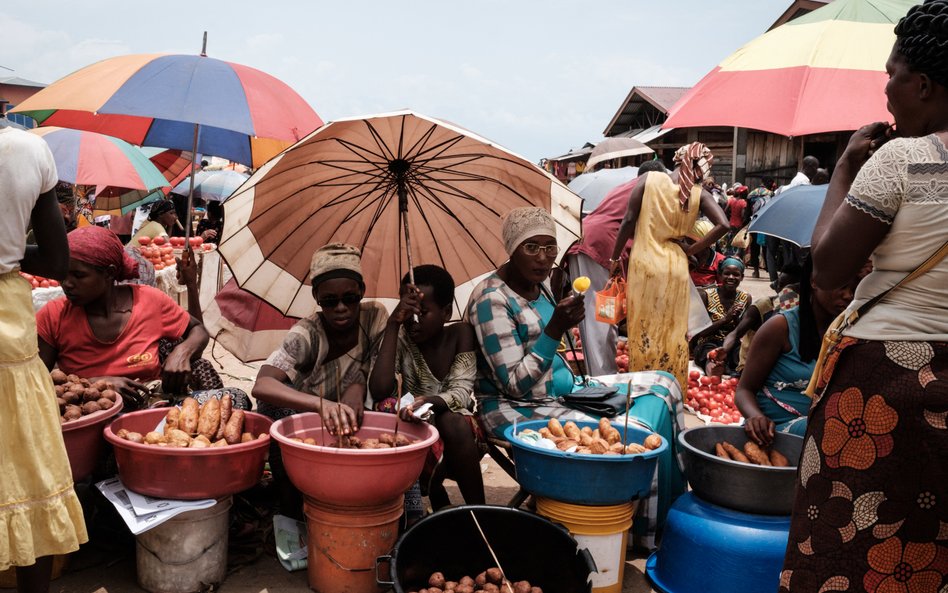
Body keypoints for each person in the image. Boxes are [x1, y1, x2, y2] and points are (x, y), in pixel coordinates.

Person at [780, 3, 948, 590]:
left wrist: (849, 166)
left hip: (884, 389)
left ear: (922, 84)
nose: (886, 90)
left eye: (891, 74)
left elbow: (826, 269)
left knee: (846, 548)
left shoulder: (906, 160)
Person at [468, 207, 688, 546]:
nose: (543, 258)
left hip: (562, 390)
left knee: (665, 384)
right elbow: (515, 383)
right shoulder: (491, 299)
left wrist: (565, 321)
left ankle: (666, 513)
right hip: (515, 407)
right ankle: (637, 535)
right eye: (531, 248)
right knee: (637, 432)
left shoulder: (539, 286)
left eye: (550, 247)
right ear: (511, 249)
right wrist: (556, 327)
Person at [0, 127, 87, 593]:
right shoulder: (27, 149)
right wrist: (9, 254)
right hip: (7, 327)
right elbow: (58, 260)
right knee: (25, 465)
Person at [252, 243, 387, 518]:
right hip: (311, 420)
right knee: (277, 414)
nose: (340, 308)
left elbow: (380, 368)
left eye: (349, 298)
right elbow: (262, 385)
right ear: (316, 297)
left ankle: (399, 509)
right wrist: (320, 404)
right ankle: (292, 510)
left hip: (356, 416)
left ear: (361, 291)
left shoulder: (375, 317)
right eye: (329, 301)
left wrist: (358, 383)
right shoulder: (306, 333)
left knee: (391, 409)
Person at [36, 226, 213, 410]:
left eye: (79, 275)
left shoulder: (149, 300)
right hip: (88, 411)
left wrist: (182, 352)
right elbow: (34, 380)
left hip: (151, 405)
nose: (67, 284)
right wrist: (98, 384)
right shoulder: (53, 315)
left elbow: (198, 330)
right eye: (63, 274)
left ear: (109, 273)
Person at [609, 143, 730, 390]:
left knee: (644, 326)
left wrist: (614, 258)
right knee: (673, 330)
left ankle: (642, 386)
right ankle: (670, 388)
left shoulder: (649, 180)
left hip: (645, 264)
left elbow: (629, 220)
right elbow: (724, 225)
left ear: (677, 159)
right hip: (675, 265)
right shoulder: (698, 194)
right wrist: (690, 249)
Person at [369, 265, 483, 509]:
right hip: (412, 425)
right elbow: (380, 390)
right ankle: (436, 497)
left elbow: (461, 393)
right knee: (389, 407)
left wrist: (430, 401)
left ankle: (480, 512)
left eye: (423, 311)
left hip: (456, 432)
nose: (414, 320)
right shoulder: (399, 338)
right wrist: (392, 325)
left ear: (446, 312)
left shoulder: (460, 334)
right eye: (408, 311)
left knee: (451, 420)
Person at [557, 160, 668, 375]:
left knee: (602, 313)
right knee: (599, 316)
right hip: (601, 247)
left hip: (591, 241)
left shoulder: (627, 187)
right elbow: (629, 221)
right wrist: (615, 258)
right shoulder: (650, 185)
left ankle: (602, 372)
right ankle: (602, 376)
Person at [735, 258, 859, 442]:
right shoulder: (780, 327)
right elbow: (744, 390)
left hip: (822, 431)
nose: (848, 295)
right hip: (773, 433)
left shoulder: (849, 332)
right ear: (814, 281)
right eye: (841, 286)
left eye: (854, 288)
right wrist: (755, 417)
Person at [723, 262, 802, 372]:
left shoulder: (804, 311)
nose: (784, 291)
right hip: (753, 368)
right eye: (781, 285)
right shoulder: (763, 305)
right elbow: (736, 334)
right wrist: (722, 350)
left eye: (790, 288)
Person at [691, 257, 751, 376]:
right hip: (707, 341)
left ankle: (732, 370)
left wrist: (736, 319)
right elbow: (699, 333)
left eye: (736, 274)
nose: (731, 277)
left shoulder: (745, 298)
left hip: (731, 343)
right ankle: (715, 368)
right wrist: (725, 319)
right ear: (719, 275)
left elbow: (742, 331)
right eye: (727, 273)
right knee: (709, 352)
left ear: (742, 277)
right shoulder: (706, 295)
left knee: (741, 354)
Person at [746, 178, 776, 278]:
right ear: (770, 184)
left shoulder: (751, 193)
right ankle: (768, 269)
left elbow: (747, 212)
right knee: (767, 246)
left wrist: (747, 224)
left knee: (754, 247)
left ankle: (756, 271)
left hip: (754, 222)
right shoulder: (771, 194)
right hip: (766, 223)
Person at [687, 219, 726, 287]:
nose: (686, 242)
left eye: (690, 240)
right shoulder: (683, 258)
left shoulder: (720, 261)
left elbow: (723, 289)